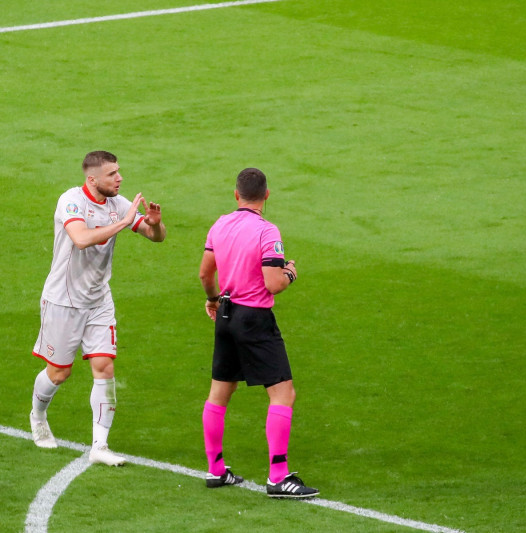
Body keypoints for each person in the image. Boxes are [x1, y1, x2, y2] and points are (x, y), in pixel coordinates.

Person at [29, 150, 166, 466]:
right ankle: (38, 416)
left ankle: (100, 447)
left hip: (99, 301)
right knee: (59, 372)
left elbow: (154, 237)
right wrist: (123, 223)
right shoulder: (71, 201)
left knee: (105, 368)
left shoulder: (119, 204)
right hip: (64, 300)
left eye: (119, 172)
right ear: (92, 179)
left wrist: (156, 225)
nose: (119, 178)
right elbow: (80, 239)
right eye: (112, 174)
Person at [198, 167, 318, 498]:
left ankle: (215, 469)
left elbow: (205, 274)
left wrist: (212, 300)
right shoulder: (267, 231)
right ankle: (278, 476)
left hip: (225, 314)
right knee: (283, 394)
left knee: (220, 392)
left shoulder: (219, 224)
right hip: (254, 319)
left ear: (236, 195)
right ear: (267, 195)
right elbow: (273, 283)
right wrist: (290, 273)